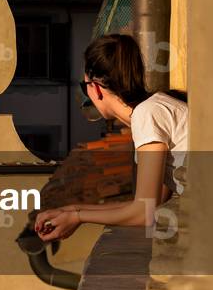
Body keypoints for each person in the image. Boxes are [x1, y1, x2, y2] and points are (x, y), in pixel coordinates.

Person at [34, 33, 188, 243]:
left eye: (84, 86)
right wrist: (71, 210)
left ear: (96, 89)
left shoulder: (147, 114)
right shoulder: (154, 109)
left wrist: (78, 217)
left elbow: (144, 212)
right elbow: (151, 203)